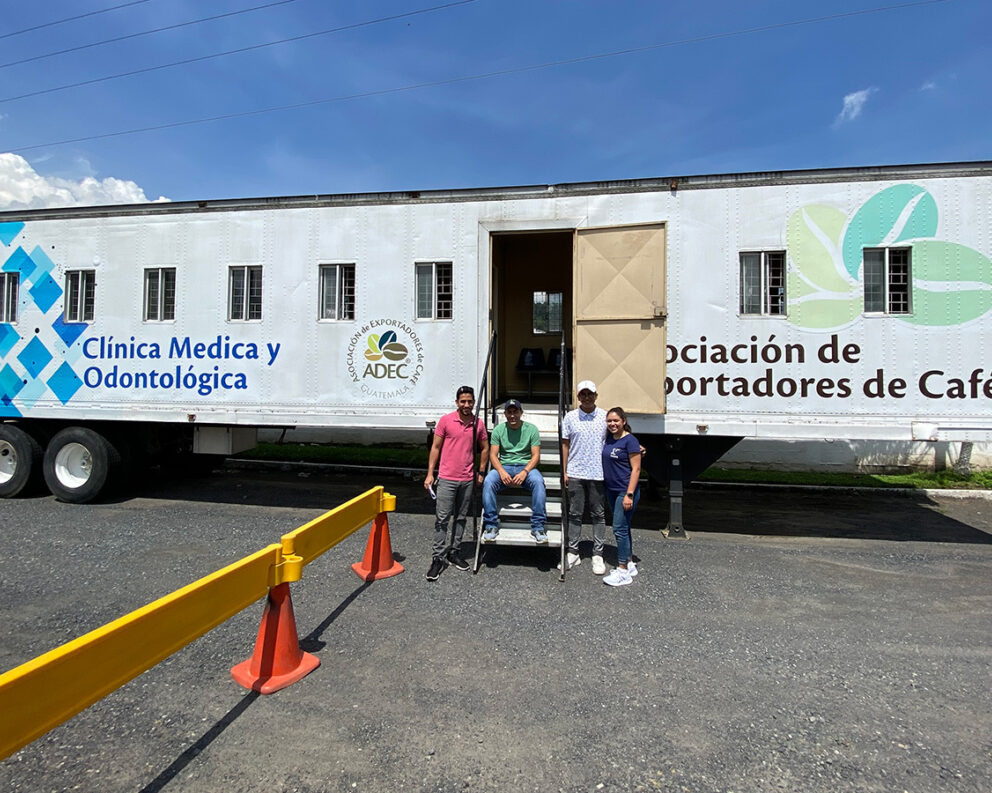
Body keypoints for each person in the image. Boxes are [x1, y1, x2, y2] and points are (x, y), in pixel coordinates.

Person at [424, 386, 489, 581]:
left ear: (474, 402)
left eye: (470, 401)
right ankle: (438, 558)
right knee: (442, 519)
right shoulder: (446, 421)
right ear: (457, 402)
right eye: (463, 401)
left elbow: (485, 448)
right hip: (446, 478)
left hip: (467, 478)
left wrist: (481, 472)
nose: (467, 405)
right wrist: (430, 474)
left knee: (461, 518)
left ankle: (454, 551)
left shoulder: (478, 423)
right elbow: (435, 448)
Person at [481, 399, 547, 543]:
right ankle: (491, 525)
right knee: (488, 481)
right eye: (509, 412)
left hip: (526, 467)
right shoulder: (499, 429)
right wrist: (501, 471)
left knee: (538, 482)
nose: (512, 415)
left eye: (515, 412)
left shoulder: (531, 429)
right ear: (505, 414)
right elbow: (493, 455)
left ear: (521, 413)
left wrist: (524, 471)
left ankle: (538, 526)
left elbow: (536, 456)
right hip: (504, 466)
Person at [560, 380, 608, 573]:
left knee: (598, 514)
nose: (587, 398)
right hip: (576, 471)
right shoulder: (570, 417)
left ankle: (598, 554)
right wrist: (565, 470)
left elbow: (619, 433)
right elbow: (565, 444)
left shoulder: (605, 416)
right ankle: (573, 551)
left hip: (598, 473)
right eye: (583, 394)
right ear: (578, 397)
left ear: (596, 395)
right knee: (575, 514)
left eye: (590, 394)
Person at [601, 406, 642, 587]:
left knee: (619, 529)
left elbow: (637, 469)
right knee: (624, 527)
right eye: (609, 421)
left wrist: (629, 494)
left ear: (624, 421)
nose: (612, 424)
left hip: (624, 491)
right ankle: (630, 562)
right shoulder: (610, 439)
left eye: (616, 420)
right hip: (611, 489)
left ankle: (623, 570)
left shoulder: (630, 441)